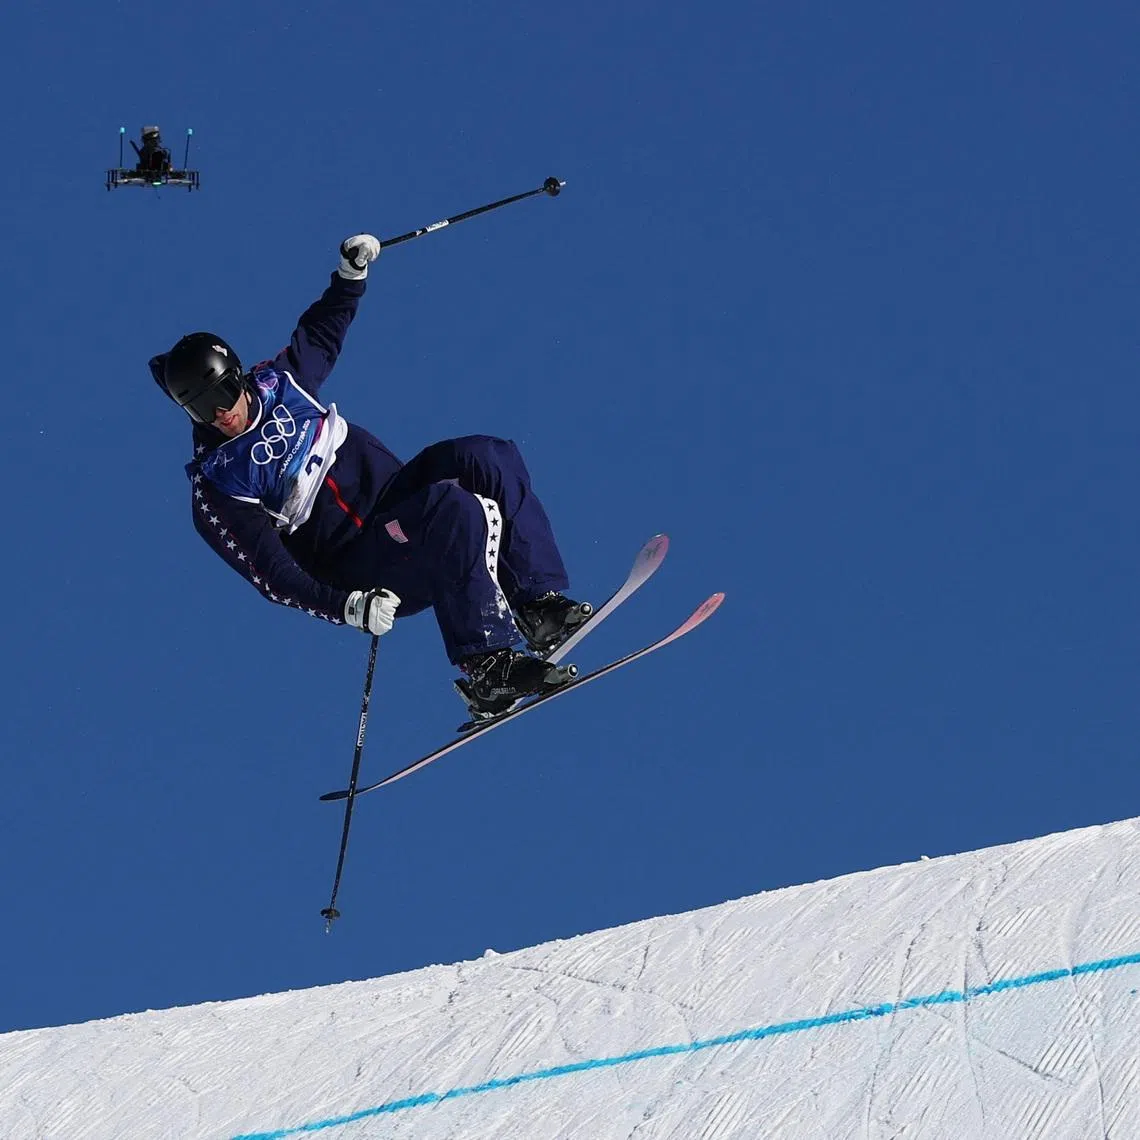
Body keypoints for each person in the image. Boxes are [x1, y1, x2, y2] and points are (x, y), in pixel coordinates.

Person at [149, 235, 592, 718]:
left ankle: (537, 604)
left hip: (395, 500)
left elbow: (320, 334)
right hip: (361, 560)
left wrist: (349, 277)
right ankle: (487, 665)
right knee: (453, 507)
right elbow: (272, 576)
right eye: (198, 408)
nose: (218, 414)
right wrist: (347, 606)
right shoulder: (219, 481)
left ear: (237, 375)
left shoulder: (281, 382)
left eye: (222, 394)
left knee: (487, 456)